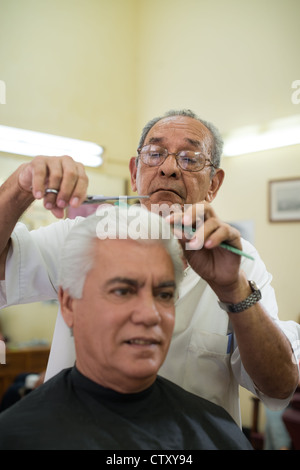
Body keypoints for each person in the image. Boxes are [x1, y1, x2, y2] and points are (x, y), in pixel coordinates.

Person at [0, 109, 299, 426]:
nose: (169, 169)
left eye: (190, 158)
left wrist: (233, 290)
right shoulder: (82, 237)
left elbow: (279, 388)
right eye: (155, 154)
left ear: (214, 183)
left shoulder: (239, 262)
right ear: (134, 171)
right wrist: (19, 188)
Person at [0, 207, 253, 450]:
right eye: (122, 291)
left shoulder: (217, 431)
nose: (150, 315)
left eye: (164, 294)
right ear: (69, 304)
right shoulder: (16, 437)